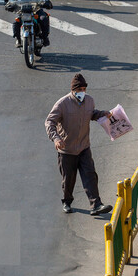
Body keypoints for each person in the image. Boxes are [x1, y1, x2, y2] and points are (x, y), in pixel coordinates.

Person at [45, 74, 114, 216]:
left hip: (83, 147)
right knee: (68, 179)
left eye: (84, 89)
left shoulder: (89, 101)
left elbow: (91, 114)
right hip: (67, 149)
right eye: (80, 89)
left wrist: (102, 114)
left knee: (90, 175)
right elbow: (50, 122)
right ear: (73, 90)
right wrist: (56, 139)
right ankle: (67, 202)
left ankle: (96, 205)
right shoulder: (62, 104)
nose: (83, 92)